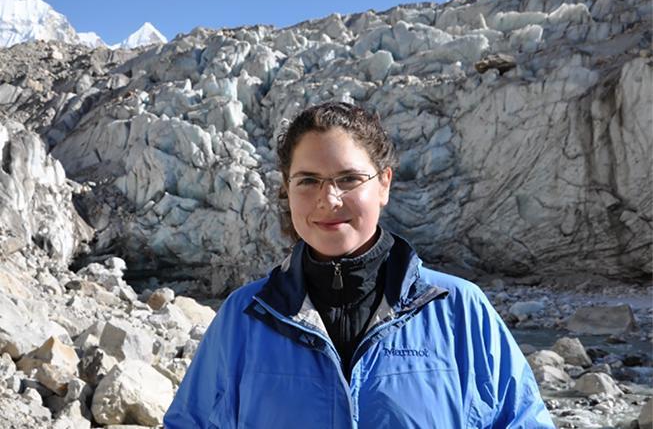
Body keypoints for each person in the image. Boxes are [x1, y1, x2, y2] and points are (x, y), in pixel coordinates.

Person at [164, 101, 555, 428]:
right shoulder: (245, 317)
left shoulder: (457, 308)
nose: (329, 199)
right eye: (307, 180)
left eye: (349, 179)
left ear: (383, 184)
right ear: (286, 188)